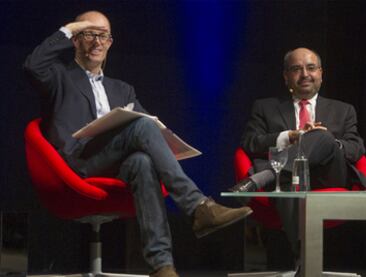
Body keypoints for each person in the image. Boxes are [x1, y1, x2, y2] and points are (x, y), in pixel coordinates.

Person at [24, 11, 252, 277]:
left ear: (111, 43)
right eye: (90, 34)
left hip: (115, 165)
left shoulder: (123, 89)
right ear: (75, 40)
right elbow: (32, 66)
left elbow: (147, 131)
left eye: (104, 36)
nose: (98, 41)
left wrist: (169, 142)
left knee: (142, 162)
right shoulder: (59, 77)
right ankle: (198, 207)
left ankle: (161, 266)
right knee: (141, 126)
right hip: (76, 165)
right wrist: (69, 28)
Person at [229, 47, 366, 268]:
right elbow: (250, 142)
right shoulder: (265, 107)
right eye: (296, 69)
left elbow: (356, 148)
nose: (305, 74)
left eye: (311, 68)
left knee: (323, 137)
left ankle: (261, 177)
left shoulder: (343, 110)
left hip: (327, 176)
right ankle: (302, 257)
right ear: (286, 76)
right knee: (289, 181)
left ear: (321, 73)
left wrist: (322, 140)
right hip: (286, 180)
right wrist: (291, 137)